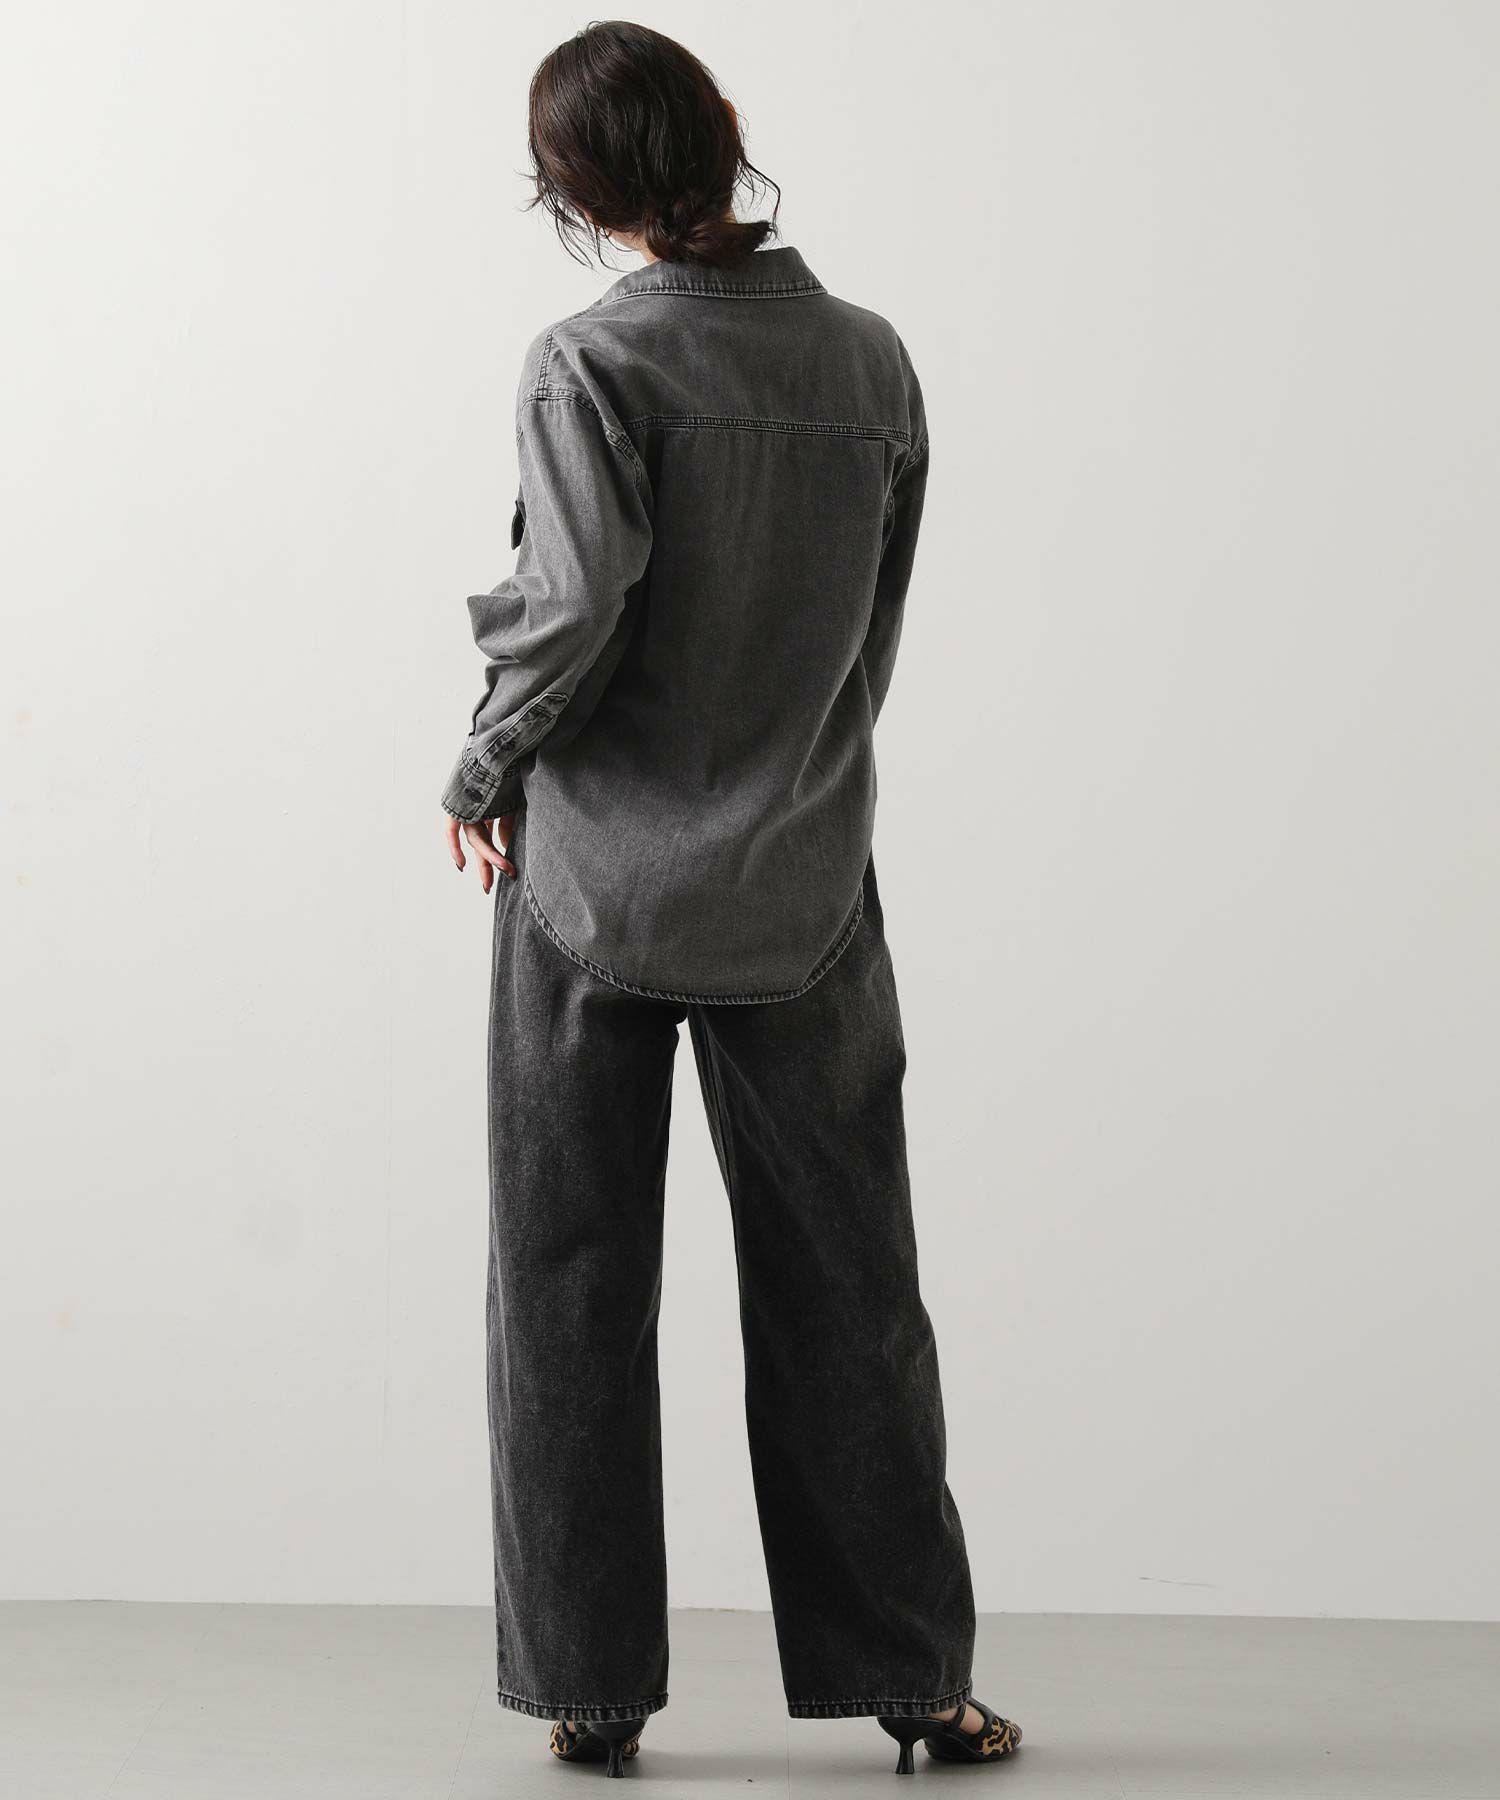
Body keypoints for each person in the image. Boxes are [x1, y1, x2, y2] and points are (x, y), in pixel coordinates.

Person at [438, 20, 1020, 1780]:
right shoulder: (870, 363)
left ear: (571, 195)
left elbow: (572, 607)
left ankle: (591, 1691)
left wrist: (480, 765)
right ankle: (916, 1682)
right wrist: (800, 771)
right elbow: (871, 622)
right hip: (806, 882)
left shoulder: (586, 363)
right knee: (852, 1293)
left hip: (589, 889)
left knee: (568, 1286)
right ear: (726, 132)